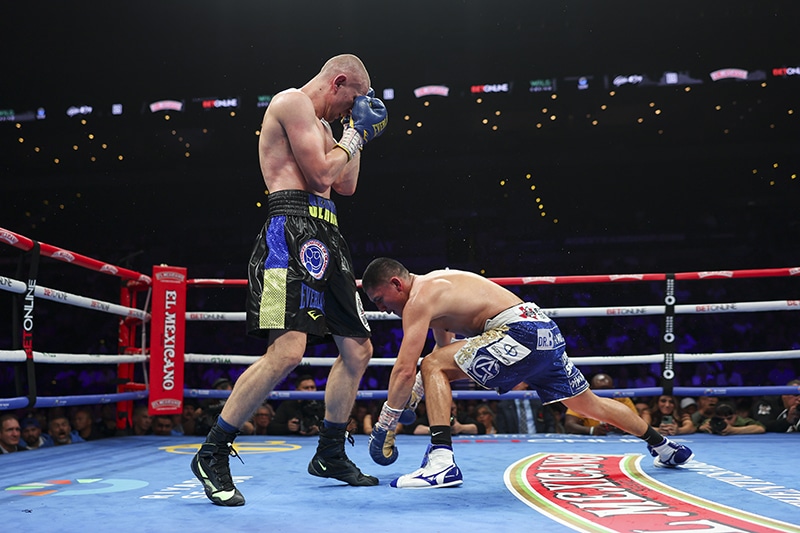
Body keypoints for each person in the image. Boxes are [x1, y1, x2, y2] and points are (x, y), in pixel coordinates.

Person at [191, 53, 387, 506]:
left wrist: (353, 134)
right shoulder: (292, 102)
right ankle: (213, 451)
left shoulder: (325, 128)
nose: (348, 112)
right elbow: (319, 172)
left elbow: (345, 185)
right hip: (286, 235)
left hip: (329, 236)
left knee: (358, 350)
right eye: (351, 101)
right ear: (337, 82)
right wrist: (353, 134)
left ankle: (330, 453)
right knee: (287, 351)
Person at [361, 258, 693, 489]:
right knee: (587, 405)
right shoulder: (436, 292)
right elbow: (441, 355)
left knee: (430, 367)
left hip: (517, 332)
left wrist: (385, 423)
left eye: (380, 299)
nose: (382, 308)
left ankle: (442, 463)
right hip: (542, 331)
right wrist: (417, 391)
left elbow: (409, 368)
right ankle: (663, 446)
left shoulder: (419, 298)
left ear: (396, 283)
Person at [564, 373, 641, 436]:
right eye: (600, 390)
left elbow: (637, 423)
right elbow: (569, 424)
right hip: (590, 439)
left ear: (612, 389)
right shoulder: (583, 399)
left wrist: (623, 427)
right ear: (592, 389)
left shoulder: (622, 399)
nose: (604, 393)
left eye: (607, 389)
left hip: (619, 438)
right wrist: (591, 430)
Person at [411, 400, 485, 436]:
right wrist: (437, 430)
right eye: (446, 409)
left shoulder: (460, 416)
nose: (449, 412)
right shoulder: (432, 416)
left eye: (453, 409)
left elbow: (481, 428)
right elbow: (412, 428)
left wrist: (461, 428)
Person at [698, 402, 765, 435]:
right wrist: (701, 428)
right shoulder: (711, 422)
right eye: (721, 419)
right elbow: (696, 427)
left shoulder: (741, 421)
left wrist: (734, 430)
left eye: (729, 418)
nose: (726, 421)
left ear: (735, 415)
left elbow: (760, 428)